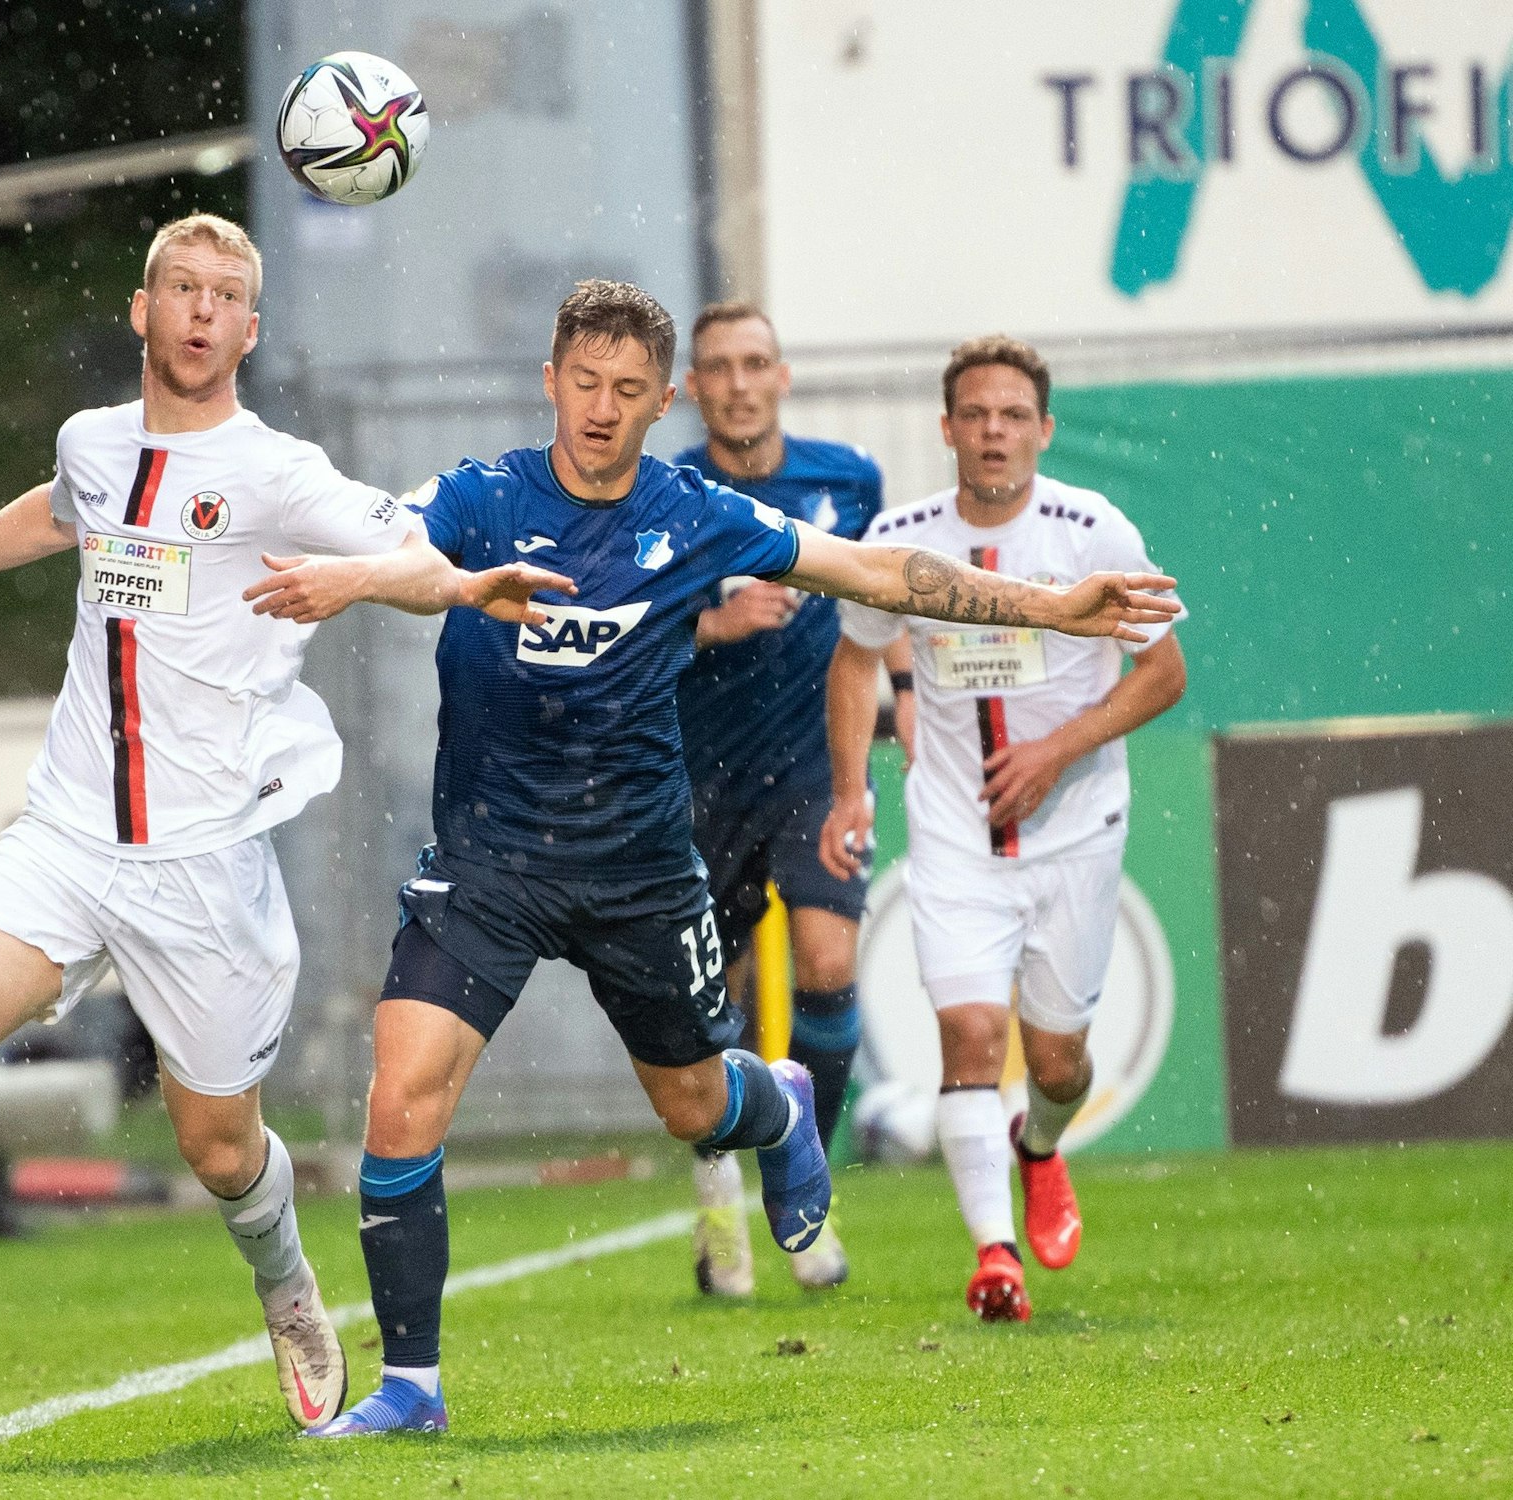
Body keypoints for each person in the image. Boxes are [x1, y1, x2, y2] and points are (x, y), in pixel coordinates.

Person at [241, 281, 1182, 1438]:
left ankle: (777, 1108)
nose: (599, 408)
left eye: (627, 391)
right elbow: (402, 552)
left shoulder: (696, 513)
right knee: (401, 1092)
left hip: (638, 863)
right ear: (549, 380)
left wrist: (1048, 605)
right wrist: (359, 577)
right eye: (582, 383)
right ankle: (412, 1389)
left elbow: (876, 577)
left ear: (663, 400)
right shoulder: (481, 496)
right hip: (488, 861)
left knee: (693, 1106)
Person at [0, 214, 566, 1428]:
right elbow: (62, 510)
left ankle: (283, 1280)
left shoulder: (276, 472)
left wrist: (447, 586)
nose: (202, 309)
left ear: (251, 329)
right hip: (64, 837)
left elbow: (416, 552)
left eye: (227, 294)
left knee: (221, 1155)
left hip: (200, 866)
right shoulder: (93, 443)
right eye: (183, 286)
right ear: (142, 307)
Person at [821, 336, 1187, 1323]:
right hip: (951, 832)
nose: (992, 432)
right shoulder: (898, 535)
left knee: (1056, 1061)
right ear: (945, 429)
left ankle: (1038, 1146)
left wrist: (1057, 749)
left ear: (1042, 430)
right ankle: (993, 1257)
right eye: (974, 415)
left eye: (1011, 416)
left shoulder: (1091, 529)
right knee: (969, 1036)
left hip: (1074, 827)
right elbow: (854, 661)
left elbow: (1163, 671)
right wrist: (852, 788)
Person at [674, 301, 892, 1295]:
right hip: (692, 781)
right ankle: (714, 1192)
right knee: (696, 1012)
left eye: (752, 362)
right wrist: (712, 623)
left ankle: (804, 1180)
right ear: (691, 387)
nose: (736, 382)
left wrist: (883, 750)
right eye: (716, 366)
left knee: (826, 958)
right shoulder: (666, 493)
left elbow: (878, 618)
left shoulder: (847, 480)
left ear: (781, 376)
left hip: (810, 773)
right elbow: (617, 630)